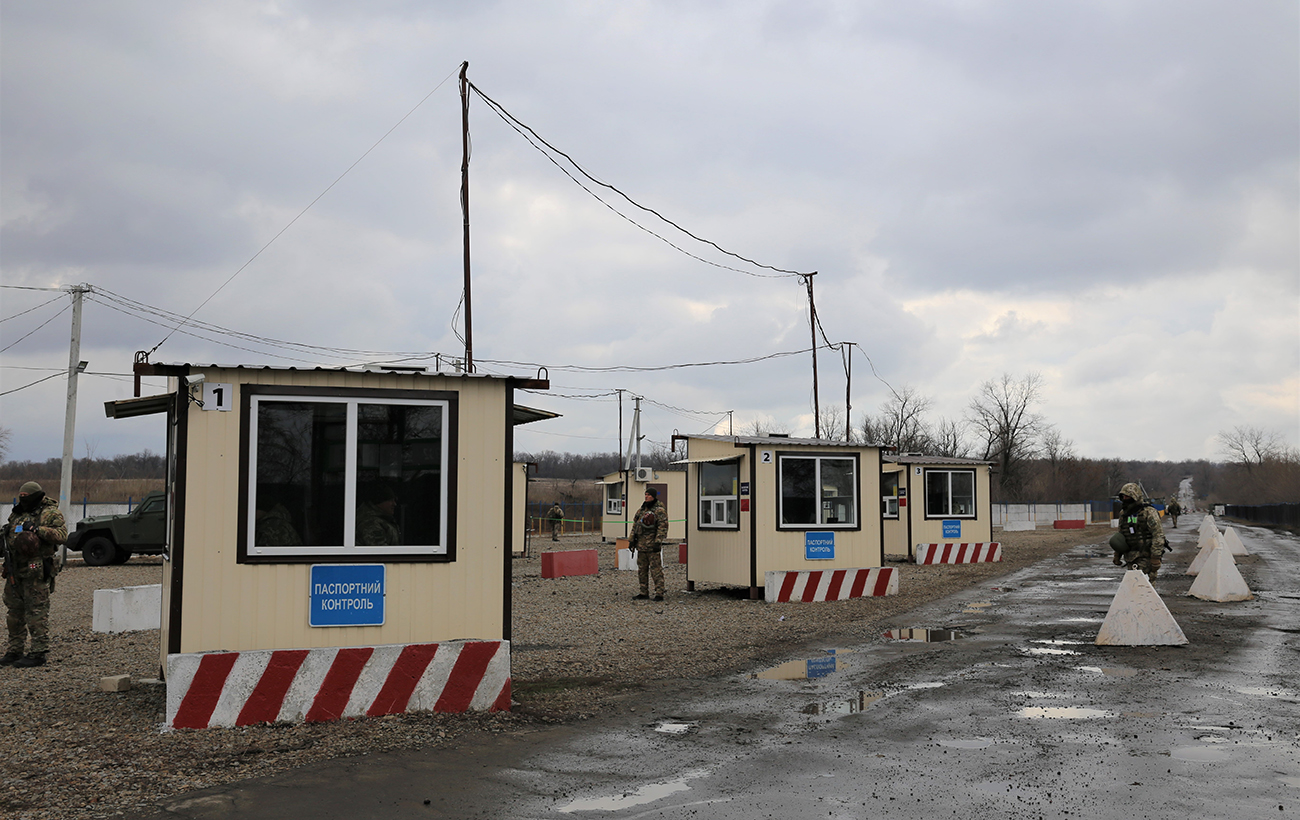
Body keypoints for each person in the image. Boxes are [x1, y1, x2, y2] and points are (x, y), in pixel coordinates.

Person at [3, 481, 67, 668]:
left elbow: (62, 535)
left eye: (26, 497)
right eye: (20, 496)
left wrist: (38, 530)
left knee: (36, 611)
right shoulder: (17, 514)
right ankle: (15, 650)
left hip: (36, 570)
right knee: (14, 612)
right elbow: (13, 534)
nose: (23, 500)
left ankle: (38, 651)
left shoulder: (50, 513)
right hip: (15, 569)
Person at [1108, 482, 1168, 581]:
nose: (1125, 499)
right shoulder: (1124, 514)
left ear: (1135, 497)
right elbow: (1121, 535)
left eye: (1128, 496)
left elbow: (1158, 535)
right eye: (1123, 497)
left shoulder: (1148, 512)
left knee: (1144, 587)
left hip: (1146, 556)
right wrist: (1117, 555)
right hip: (1131, 557)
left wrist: (1155, 557)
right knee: (1134, 586)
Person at [629, 487, 668, 601]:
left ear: (654, 496)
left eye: (648, 495)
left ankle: (659, 593)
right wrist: (631, 540)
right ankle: (643, 592)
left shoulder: (659, 510)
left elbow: (663, 527)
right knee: (642, 569)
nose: (646, 497)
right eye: (645, 495)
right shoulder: (642, 510)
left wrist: (658, 541)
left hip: (652, 545)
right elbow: (635, 526)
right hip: (641, 545)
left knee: (656, 570)